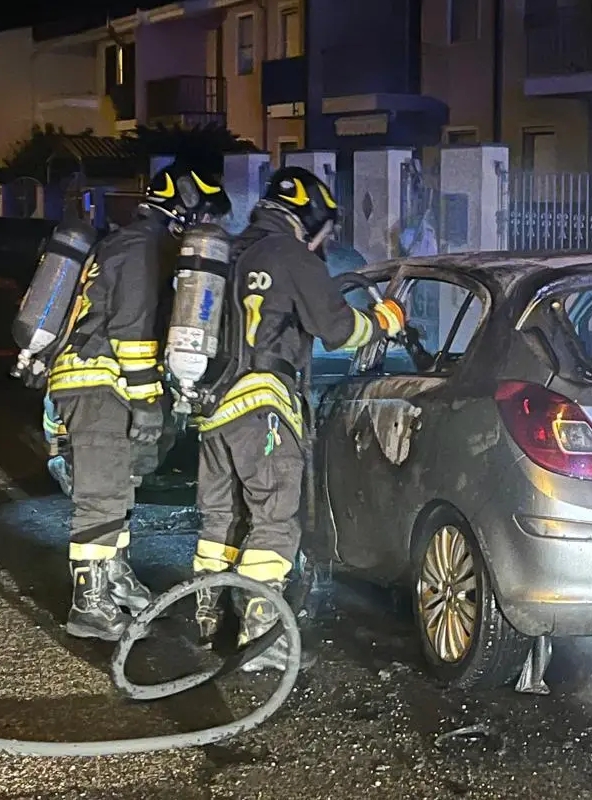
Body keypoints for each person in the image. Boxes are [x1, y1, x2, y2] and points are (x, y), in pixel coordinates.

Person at [192, 166, 405, 671]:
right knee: (273, 519)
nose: (325, 241)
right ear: (311, 218)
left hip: (212, 409)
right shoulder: (291, 255)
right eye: (325, 231)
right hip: (262, 405)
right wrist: (384, 322)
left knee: (219, 517)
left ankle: (208, 616)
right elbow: (336, 328)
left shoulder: (230, 252)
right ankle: (263, 636)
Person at [49, 162, 231, 641]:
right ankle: (87, 604)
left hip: (98, 382)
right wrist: (148, 401)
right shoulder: (142, 248)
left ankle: (113, 577)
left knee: (118, 485)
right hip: (99, 383)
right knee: (101, 495)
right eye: (203, 215)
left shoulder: (134, 241)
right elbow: (130, 331)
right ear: (184, 208)